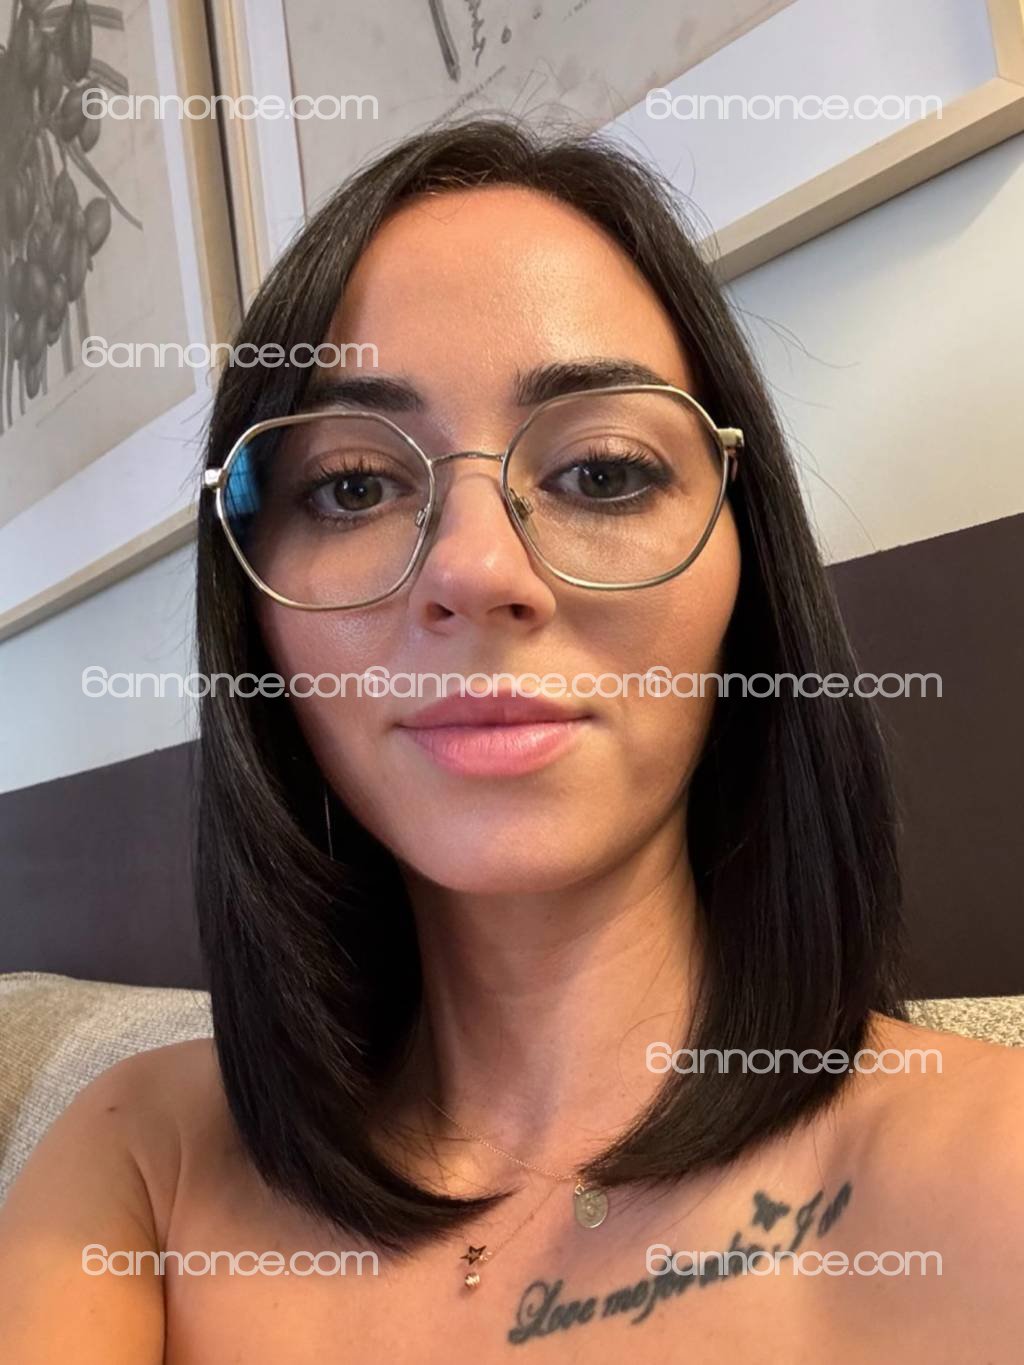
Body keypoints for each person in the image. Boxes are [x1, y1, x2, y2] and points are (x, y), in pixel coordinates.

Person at [1, 116, 1021, 1363]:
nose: (477, 570)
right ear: (252, 618)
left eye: (602, 472)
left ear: (746, 570)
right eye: (354, 486)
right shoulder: (141, 1162)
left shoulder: (989, 1176)